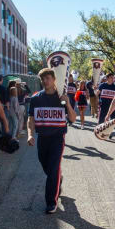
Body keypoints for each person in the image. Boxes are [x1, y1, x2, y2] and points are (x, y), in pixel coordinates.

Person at [27, 68, 76, 213]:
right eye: (43, 79)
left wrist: (67, 104)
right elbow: (31, 119)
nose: (45, 81)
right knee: (47, 168)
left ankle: (51, 202)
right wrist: (30, 134)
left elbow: (73, 119)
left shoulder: (62, 97)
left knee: (53, 169)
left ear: (54, 79)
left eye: (48, 78)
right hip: (42, 138)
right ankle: (58, 179)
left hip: (57, 138)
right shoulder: (36, 98)